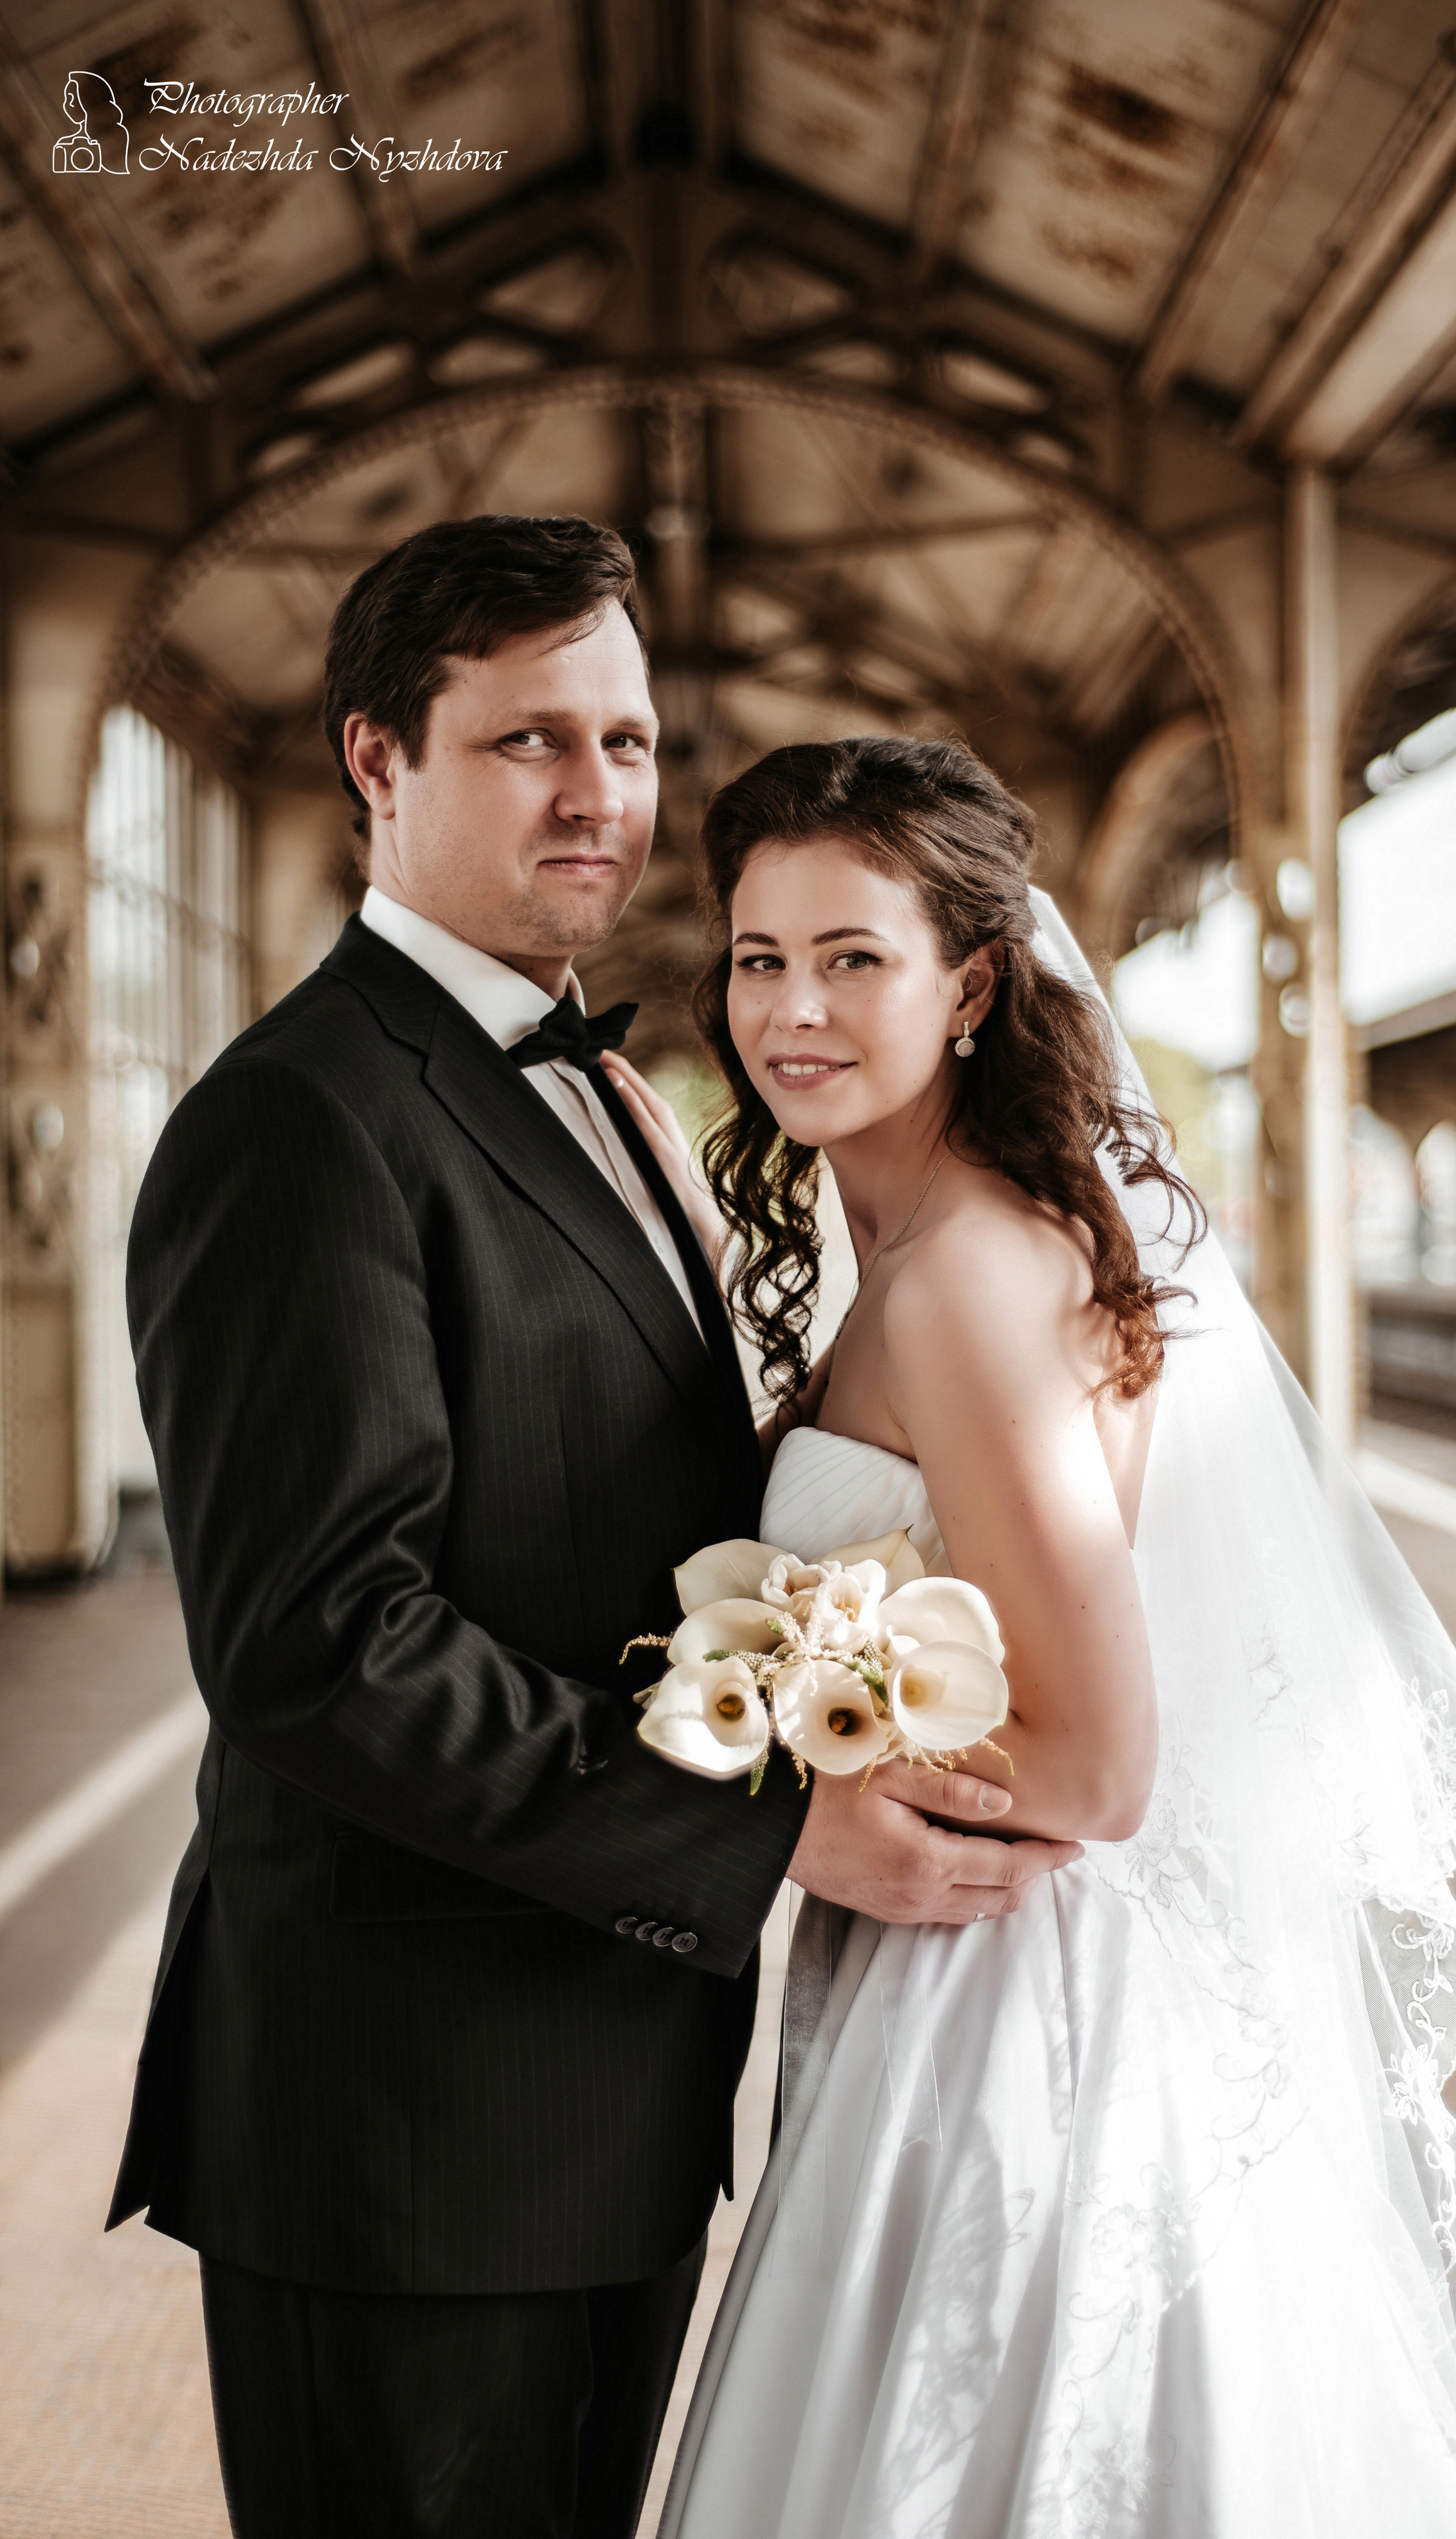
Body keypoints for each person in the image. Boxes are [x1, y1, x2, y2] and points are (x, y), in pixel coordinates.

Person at [106, 519, 1076, 2539]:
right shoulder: (304, 1120)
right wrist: (774, 1824)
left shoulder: (616, 1088)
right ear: (379, 760)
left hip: (599, 2085)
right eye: (529, 739)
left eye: (626, 740)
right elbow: (319, 1638)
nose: (601, 793)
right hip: (407, 2124)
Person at [616, 736, 1456, 2537]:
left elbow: (1105, 1763)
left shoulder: (964, 1277)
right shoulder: (949, 1237)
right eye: (758, 956)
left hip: (1008, 2006)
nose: (791, 1008)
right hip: (956, 1960)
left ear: (970, 982)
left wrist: (790, 1743)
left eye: (852, 957)